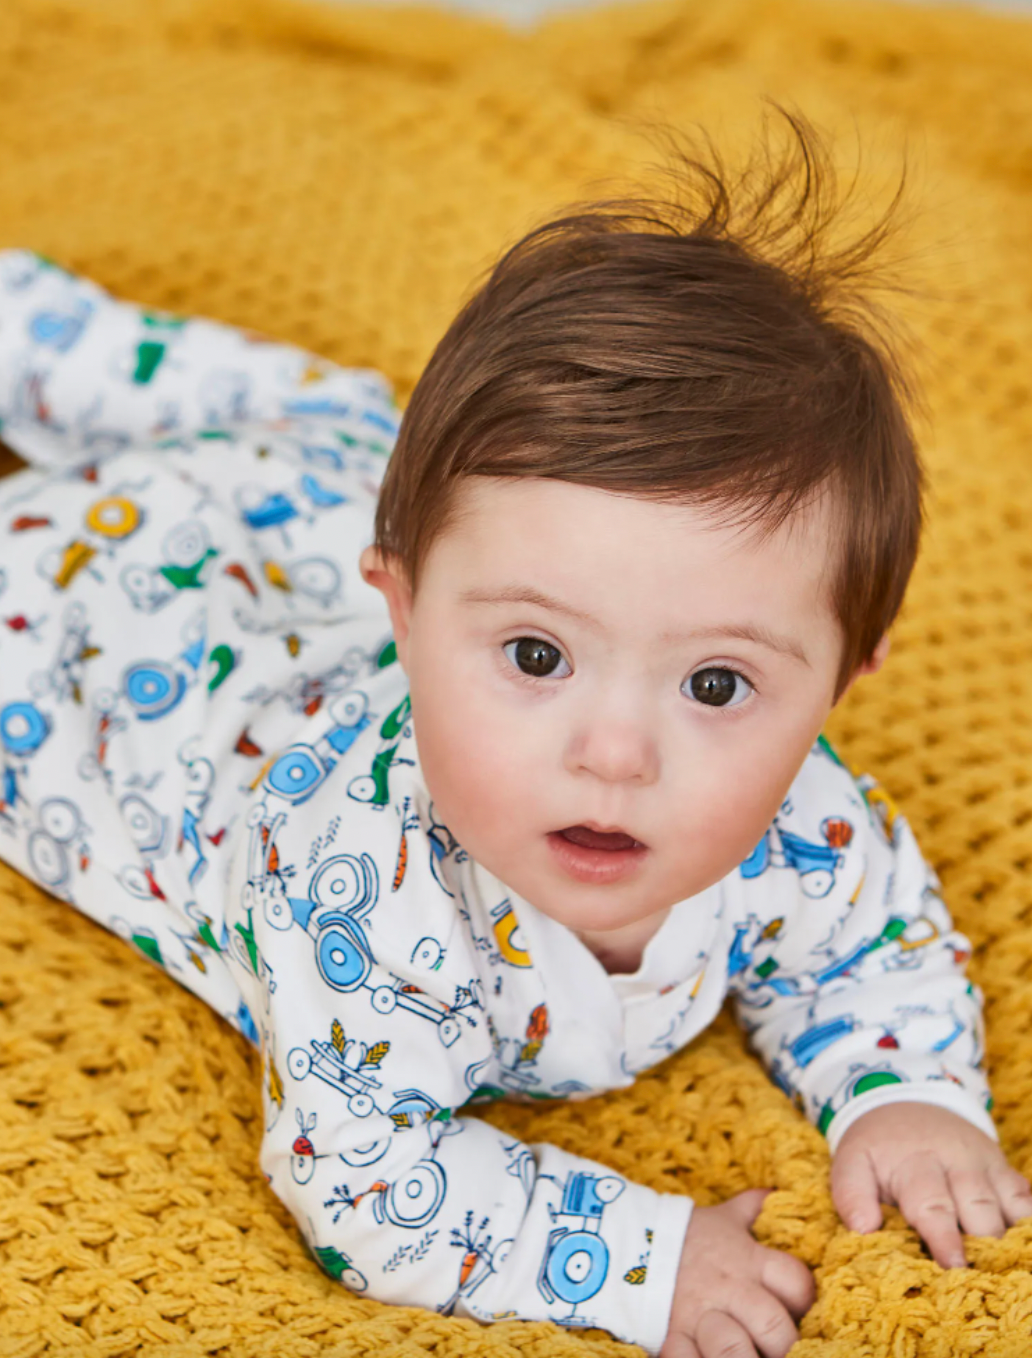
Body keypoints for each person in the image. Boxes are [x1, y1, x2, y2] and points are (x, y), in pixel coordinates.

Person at [0, 116, 1029, 1358]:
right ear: (406, 610)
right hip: (88, 617)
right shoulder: (366, 890)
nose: (615, 752)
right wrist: (647, 1260)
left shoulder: (805, 819)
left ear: (841, 682)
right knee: (178, 392)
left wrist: (910, 1091)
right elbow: (363, 1181)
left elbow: (874, 943)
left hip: (307, 501)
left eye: (716, 683)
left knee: (315, 433)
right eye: (536, 657)